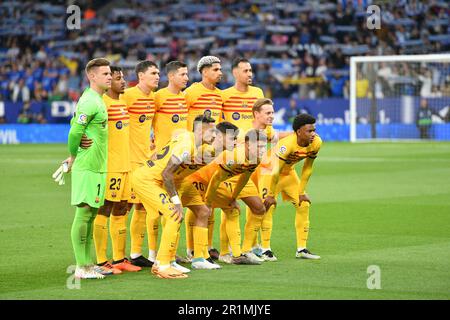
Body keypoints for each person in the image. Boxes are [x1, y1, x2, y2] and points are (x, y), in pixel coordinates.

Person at [132, 115, 217, 279]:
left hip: (151, 178)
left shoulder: (187, 139)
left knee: (171, 215)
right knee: (174, 214)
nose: (214, 134)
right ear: (200, 130)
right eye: (211, 130)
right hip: (148, 180)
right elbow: (166, 174)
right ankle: (162, 265)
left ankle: (166, 262)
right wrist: (176, 201)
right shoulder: (187, 144)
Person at [186, 129, 269, 266]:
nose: (262, 150)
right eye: (259, 146)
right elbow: (216, 179)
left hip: (216, 181)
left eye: (264, 146)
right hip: (200, 179)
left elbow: (243, 178)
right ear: (247, 144)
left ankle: (232, 254)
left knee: (231, 209)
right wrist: (208, 201)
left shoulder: (256, 158)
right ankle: (197, 254)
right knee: (203, 212)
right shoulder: (235, 156)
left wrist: (233, 198)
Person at [62, 58, 112, 279]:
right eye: (105, 74)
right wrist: (73, 156)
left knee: (91, 215)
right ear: (92, 76)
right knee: (83, 214)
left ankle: (88, 263)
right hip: (87, 166)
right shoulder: (90, 101)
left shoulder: (98, 99)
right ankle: (81, 266)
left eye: (110, 73)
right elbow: (74, 132)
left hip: (97, 166)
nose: (110, 77)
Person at [92, 66, 141, 275]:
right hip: (110, 167)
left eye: (123, 78)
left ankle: (120, 258)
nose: (123, 82)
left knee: (122, 208)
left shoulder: (122, 102)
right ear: (107, 81)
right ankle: (102, 261)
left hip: (126, 165)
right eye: (118, 78)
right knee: (104, 209)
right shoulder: (102, 103)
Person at [146, 61, 189, 263]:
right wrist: (150, 144)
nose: (186, 78)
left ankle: (168, 252)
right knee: (154, 209)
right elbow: (145, 121)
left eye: (187, 74)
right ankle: (152, 254)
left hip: (177, 161)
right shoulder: (158, 97)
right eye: (182, 74)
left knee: (172, 207)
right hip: (161, 160)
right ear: (171, 76)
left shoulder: (184, 98)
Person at [263, 114, 322, 260]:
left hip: (288, 173)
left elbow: (308, 168)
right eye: (309, 131)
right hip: (268, 172)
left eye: (314, 130)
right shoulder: (287, 145)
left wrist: (301, 192)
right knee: (267, 206)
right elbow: (275, 170)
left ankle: (301, 249)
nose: (313, 133)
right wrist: (270, 195)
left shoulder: (316, 142)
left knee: (304, 205)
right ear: (298, 132)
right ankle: (265, 249)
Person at [120, 60, 159, 267]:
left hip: (146, 161)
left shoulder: (154, 98)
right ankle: (118, 256)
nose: (157, 76)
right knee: (122, 208)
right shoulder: (127, 96)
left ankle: (135, 253)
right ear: (141, 76)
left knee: (142, 207)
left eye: (158, 73)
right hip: (128, 161)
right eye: (153, 73)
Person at [184, 56, 224, 259]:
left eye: (220, 69)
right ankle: (192, 249)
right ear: (204, 71)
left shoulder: (219, 96)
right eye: (216, 69)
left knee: (210, 202)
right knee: (195, 201)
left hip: (212, 156)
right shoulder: (191, 92)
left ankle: (206, 246)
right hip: (195, 155)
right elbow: (181, 118)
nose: (220, 73)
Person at [221, 58, 264, 134]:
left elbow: (263, 118)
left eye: (250, 70)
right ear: (235, 73)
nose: (250, 74)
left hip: (253, 141)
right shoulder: (224, 95)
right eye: (245, 71)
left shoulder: (258, 92)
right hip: (233, 142)